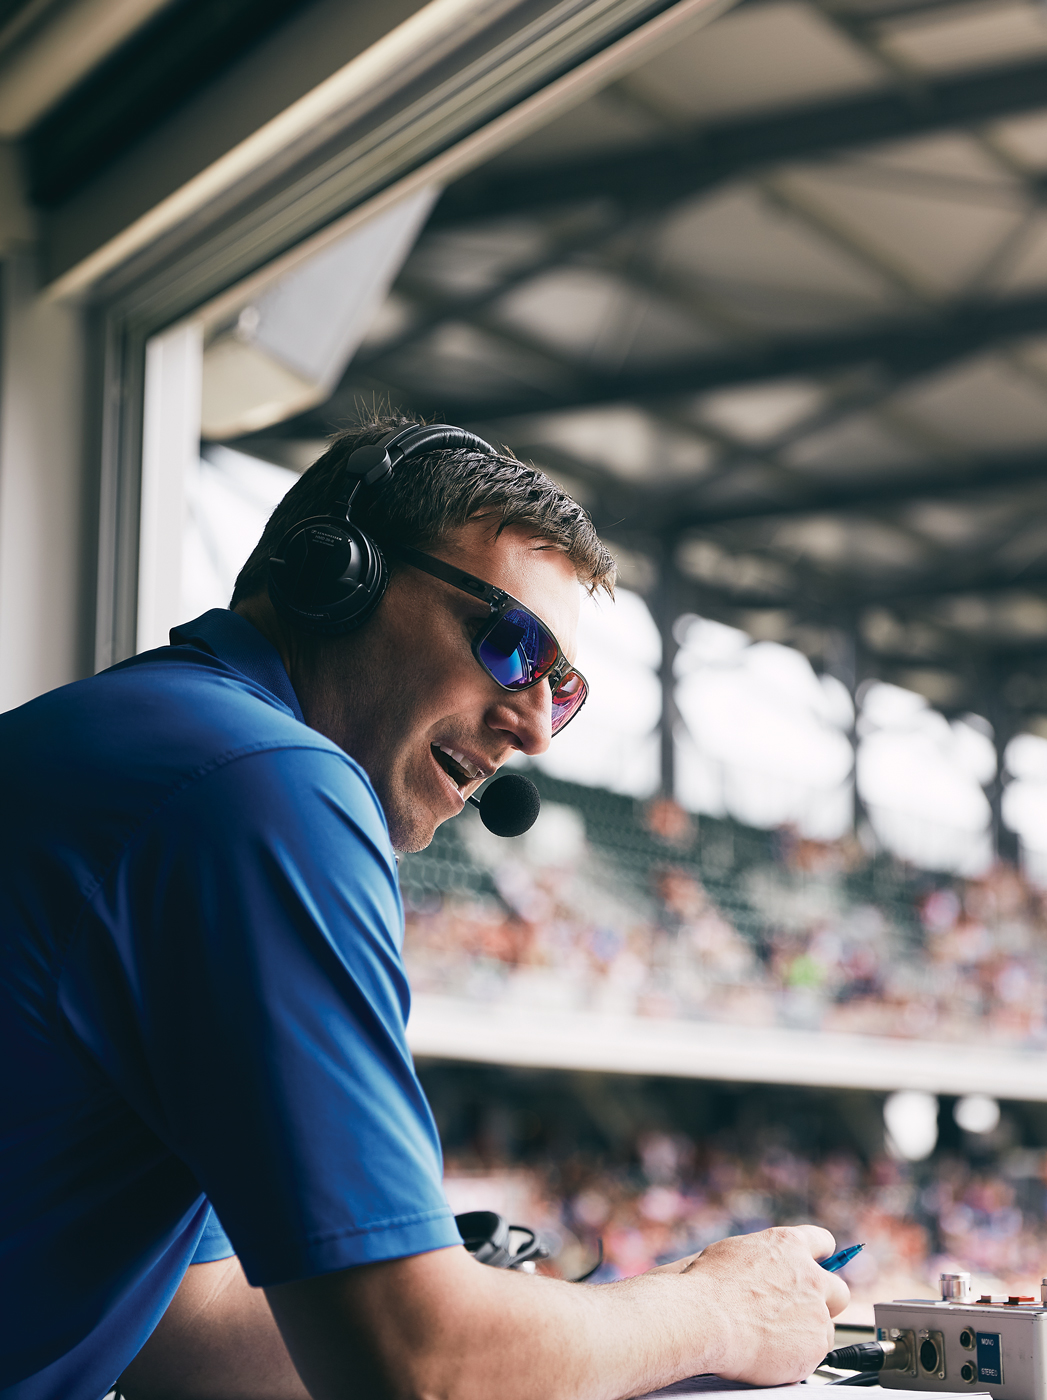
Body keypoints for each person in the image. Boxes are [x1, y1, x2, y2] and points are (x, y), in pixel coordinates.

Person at [0, 416, 848, 1400]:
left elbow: (180, 1329)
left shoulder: (150, 736)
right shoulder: (263, 786)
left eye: (561, 689)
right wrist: (717, 1309)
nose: (532, 724)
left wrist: (544, 1323)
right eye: (509, 643)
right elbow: (416, 1366)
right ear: (337, 573)